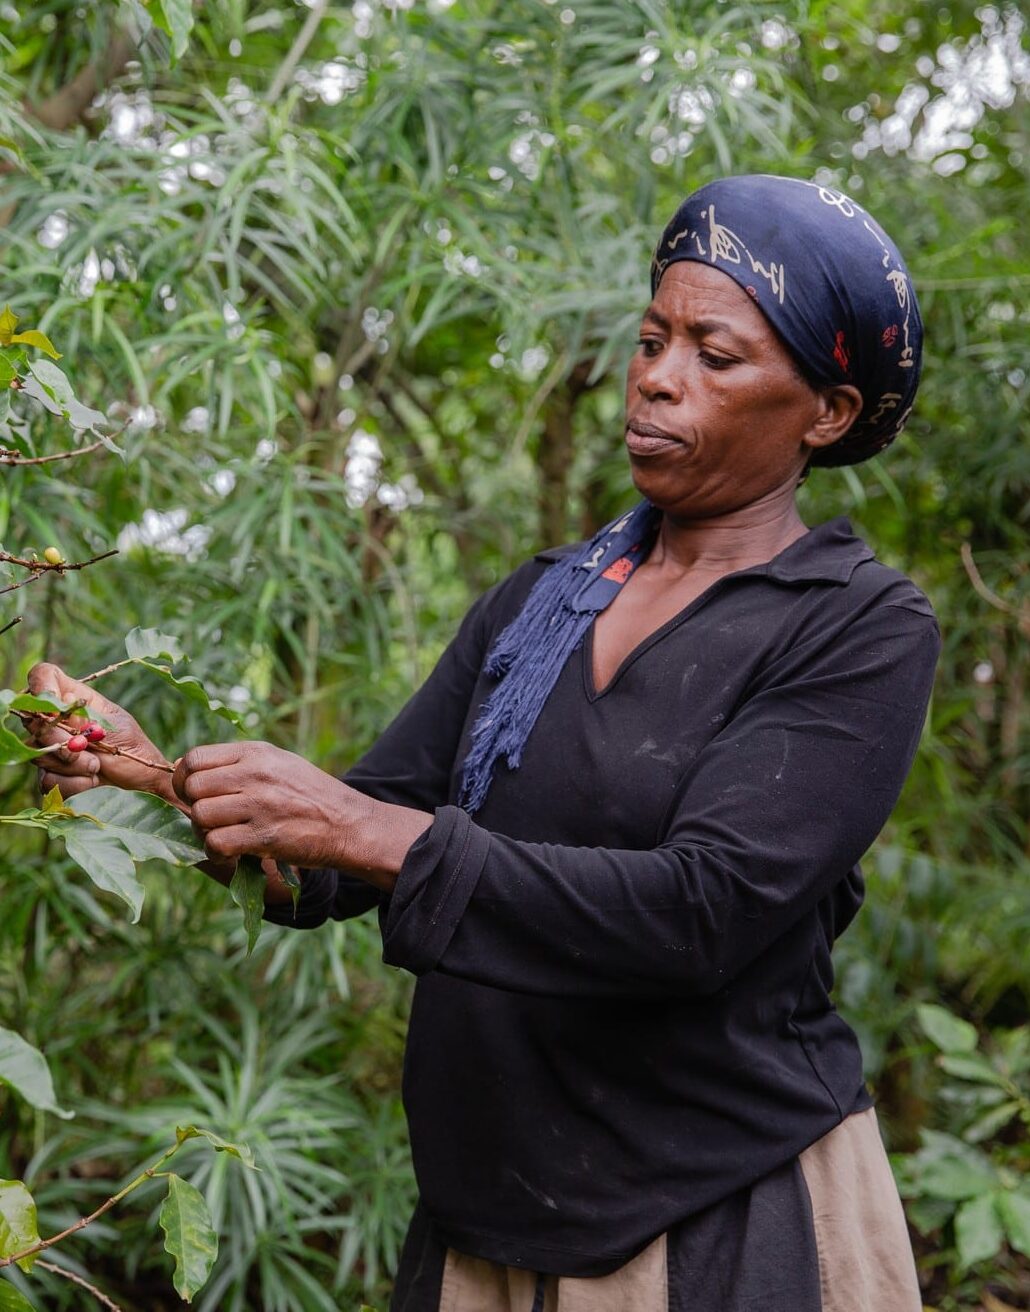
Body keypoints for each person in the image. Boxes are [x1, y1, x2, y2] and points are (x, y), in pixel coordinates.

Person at [30, 174, 939, 1312]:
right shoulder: (542, 602)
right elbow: (342, 854)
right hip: (487, 1213)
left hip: (712, 1215)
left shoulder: (853, 624)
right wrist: (157, 775)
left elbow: (701, 913)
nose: (656, 375)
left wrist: (364, 827)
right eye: (653, 337)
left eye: (714, 355)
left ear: (828, 412)